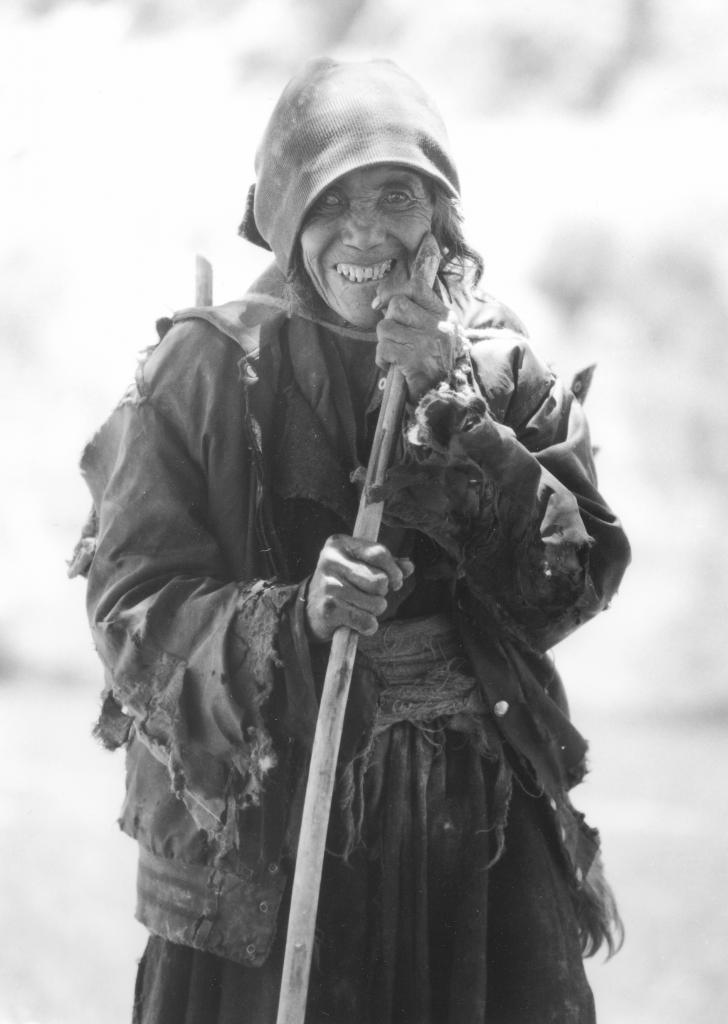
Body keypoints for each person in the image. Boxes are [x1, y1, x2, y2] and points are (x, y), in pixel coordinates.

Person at [71, 57, 631, 1024]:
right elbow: (131, 608)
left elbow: (567, 585)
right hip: (279, 837)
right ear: (285, 219)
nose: (367, 232)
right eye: (332, 202)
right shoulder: (205, 369)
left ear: (439, 218)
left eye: (397, 196)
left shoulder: (493, 362)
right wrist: (294, 619)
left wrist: (457, 412)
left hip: (475, 834)